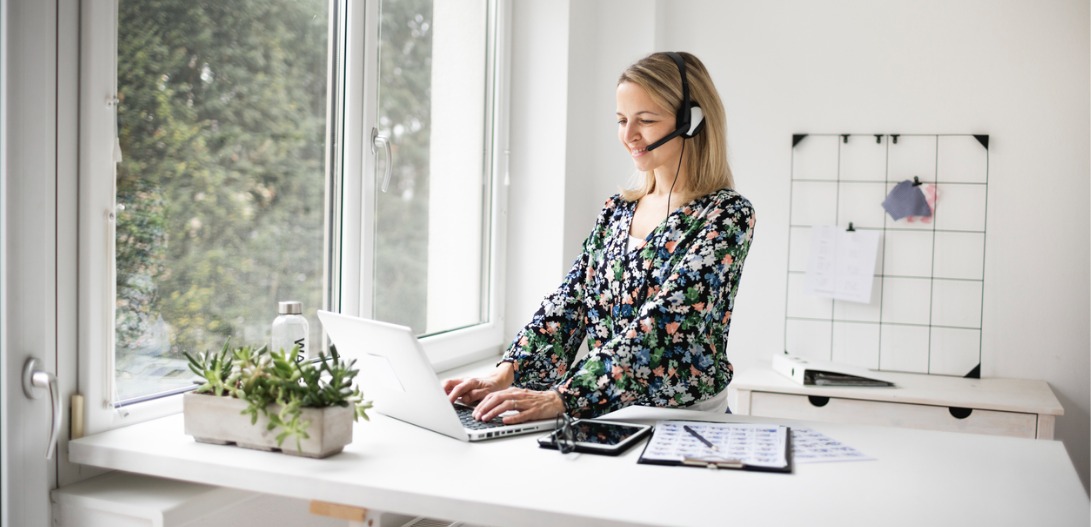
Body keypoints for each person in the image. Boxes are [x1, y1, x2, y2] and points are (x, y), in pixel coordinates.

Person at [444, 51, 756, 424]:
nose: (628, 135)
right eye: (622, 120)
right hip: (607, 412)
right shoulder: (617, 209)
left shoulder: (726, 215)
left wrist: (563, 397)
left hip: (688, 421)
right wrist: (508, 370)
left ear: (692, 121)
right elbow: (572, 301)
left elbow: (665, 328)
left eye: (646, 120)